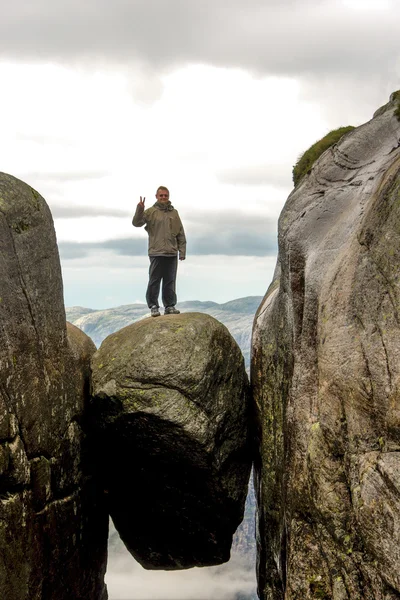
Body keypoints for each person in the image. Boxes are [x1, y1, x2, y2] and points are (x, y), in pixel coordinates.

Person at [132, 186, 186, 317]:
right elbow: (136, 223)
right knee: (154, 280)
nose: (163, 197)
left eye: (165, 195)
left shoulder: (174, 213)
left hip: (171, 252)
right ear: (156, 196)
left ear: (168, 196)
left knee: (170, 280)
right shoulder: (150, 212)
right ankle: (154, 306)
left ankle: (170, 306)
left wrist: (182, 251)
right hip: (156, 252)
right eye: (161, 195)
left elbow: (180, 232)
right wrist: (140, 209)